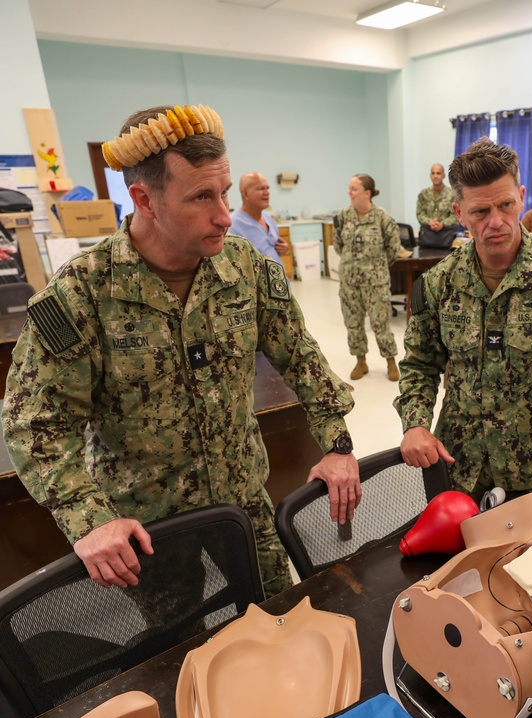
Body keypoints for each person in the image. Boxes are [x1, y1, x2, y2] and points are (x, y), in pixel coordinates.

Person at [2, 104, 362, 598]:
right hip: (149, 528)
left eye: (225, 193)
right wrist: (87, 518)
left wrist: (338, 444)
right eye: (201, 197)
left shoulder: (246, 269)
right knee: (176, 652)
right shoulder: (82, 294)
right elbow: (35, 420)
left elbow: (301, 357)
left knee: (281, 617)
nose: (223, 215)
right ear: (145, 200)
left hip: (244, 505)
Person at [395, 138, 532, 530]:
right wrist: (414, 423)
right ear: (458, 212)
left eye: (506, 205)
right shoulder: (437, 284)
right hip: (457, 467)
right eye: (480, 211)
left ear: (522, 196)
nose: (495, 222)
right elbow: (419, 364)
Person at [332, 174, 401, 382]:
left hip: (375, 282)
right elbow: (337, 244)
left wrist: (375, 266)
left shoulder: (382, 218)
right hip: (349, 282)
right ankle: (361, 362)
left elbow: (393, 249)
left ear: (367, 193)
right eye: (349, 188)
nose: (349, 192)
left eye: (354, 188)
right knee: (353, 324)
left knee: (381, 324)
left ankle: (391, 361)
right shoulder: (344, 216)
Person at [228, 172, 290, 262]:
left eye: (267, 188)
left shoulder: (269, 219)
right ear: (245, 194)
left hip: (280, 275)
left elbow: (271, 250)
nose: (267, 192)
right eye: (261, 188)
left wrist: (285, 249)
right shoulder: (233, 225)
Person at [415, 162, 460, 247]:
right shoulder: (424, 194)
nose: (435, 176)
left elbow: (456, 216)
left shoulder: (452, 194)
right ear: (430, 175)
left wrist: (442, 224)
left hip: (446, 237)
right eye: (433, 173)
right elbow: (419, 214)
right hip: (427, 237)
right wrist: (430, 222)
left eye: (438, 173)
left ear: (443, 175)